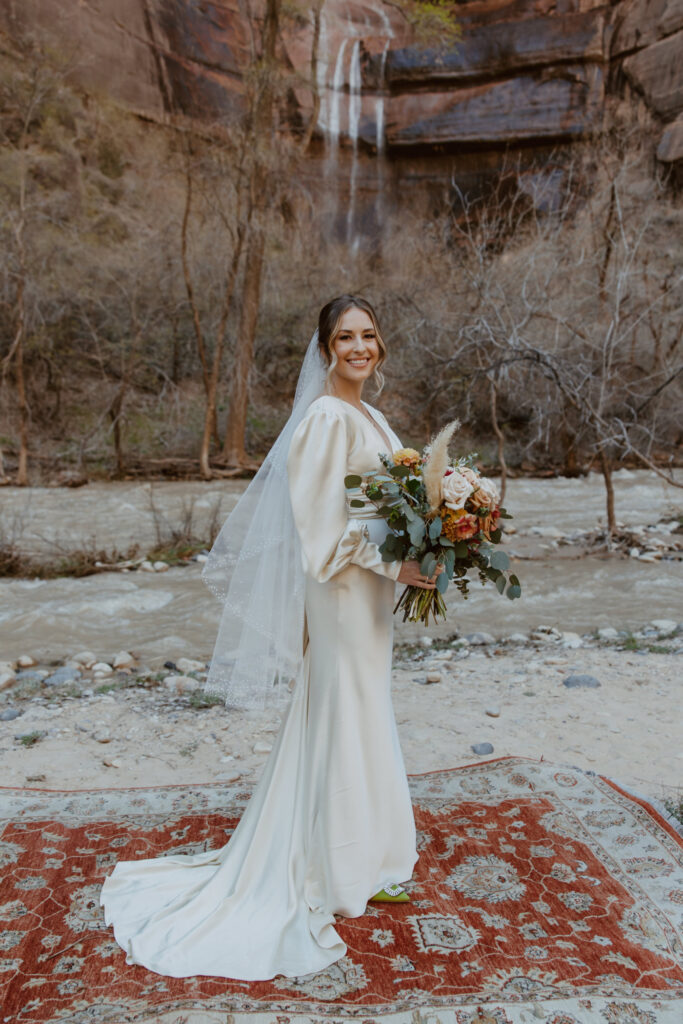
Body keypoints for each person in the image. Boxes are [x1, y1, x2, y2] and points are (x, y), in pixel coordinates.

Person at [99, 295, 444, 981]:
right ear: (323, 351)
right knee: (343, 712)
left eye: (368, 335)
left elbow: (387, 506)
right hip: (342, 589)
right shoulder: (322, 417)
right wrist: (392, 562)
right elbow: (317, 525)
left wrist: (432, 543)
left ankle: (372, 858)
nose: (358, 347)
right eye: (344, 337)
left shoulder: (372, 415)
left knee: (364, 712)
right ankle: (340, 868)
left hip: (371, 591)